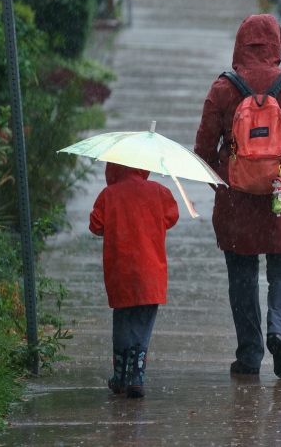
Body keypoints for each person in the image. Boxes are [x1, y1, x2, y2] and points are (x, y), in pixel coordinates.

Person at [194, 14, 281, 379]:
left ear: (239, 45)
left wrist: (225, 184)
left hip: (238, 200)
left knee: (242, 276)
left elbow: (203, 149)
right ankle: (280, 333)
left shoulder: (223, 89)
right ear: (277, 45)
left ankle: (249, 355)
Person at [90, 163, 180, 399]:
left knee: (122, 319)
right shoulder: (159, 192)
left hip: (121, 271)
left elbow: (95, 224)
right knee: (142, 322)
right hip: (150, 273)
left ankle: (119, 376)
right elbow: (172, 216)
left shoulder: (108, 195)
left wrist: (117, 224)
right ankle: (136, 376)